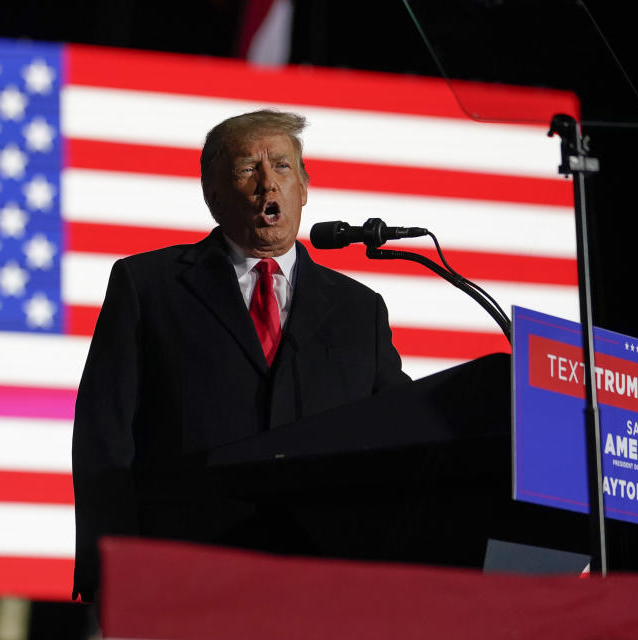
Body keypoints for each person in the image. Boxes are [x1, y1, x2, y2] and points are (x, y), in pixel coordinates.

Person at [71, 110, 410, 602]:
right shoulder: (149, 287)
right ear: (212, 195)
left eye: (282, 167)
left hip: (322, 588)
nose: (267, 183)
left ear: (306, 188)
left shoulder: (360, 311)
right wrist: (109, 575)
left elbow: (398, 432)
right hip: (182, 582)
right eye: (247, 169)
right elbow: (104, 438)